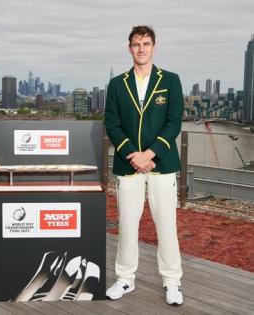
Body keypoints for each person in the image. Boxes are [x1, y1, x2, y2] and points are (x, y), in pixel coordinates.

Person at [104, 25, 184, 306]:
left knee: (167, 226)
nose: (141, 49)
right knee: (127, 225)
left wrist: (150, 154)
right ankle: (125, 278)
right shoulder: (117, 83)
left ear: (154, 47)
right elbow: (111, 123)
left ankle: (172, 282)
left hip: (162, 165)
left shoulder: (171, 80)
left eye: (146, 44)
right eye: (136, 44)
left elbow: (174, 122)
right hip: (129, 167)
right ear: (129, 48)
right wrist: (132, 155)